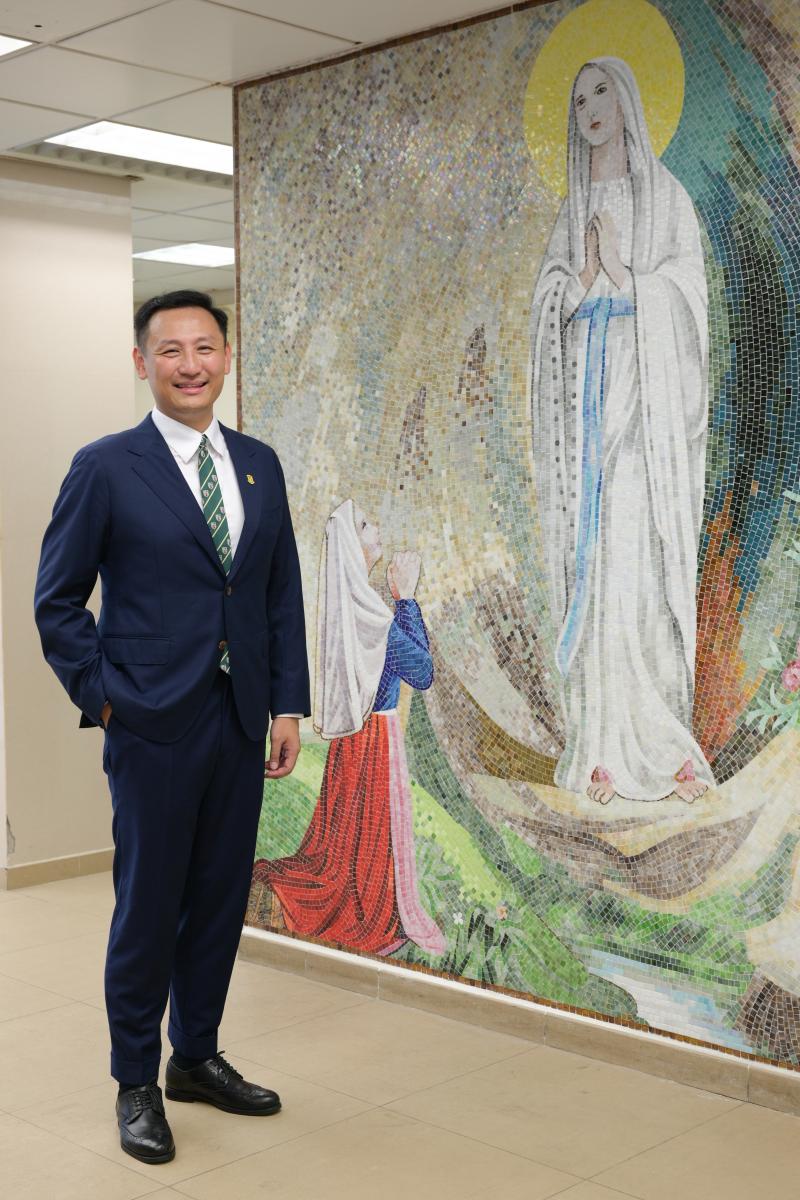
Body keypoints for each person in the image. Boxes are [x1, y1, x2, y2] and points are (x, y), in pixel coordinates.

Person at [34, 290, 310, 1165]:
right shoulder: (107, 467)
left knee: (220, 901)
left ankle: (194, 1057)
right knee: (149, 907)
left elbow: (277, 593)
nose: (190, 364)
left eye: (205, 347)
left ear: (226, 356)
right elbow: (57, 602)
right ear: (142, 362)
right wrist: (108, 697)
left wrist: (286, 704)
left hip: (239, 718)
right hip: (151, 723)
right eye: (170, 350)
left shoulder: (258, 463)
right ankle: (135, 1082)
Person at [530, 57, 714, 805]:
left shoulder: (666, 199)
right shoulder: (571, 210)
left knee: (639, 573)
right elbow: (549, 304)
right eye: (578, 100)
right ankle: (600, 750)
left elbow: (688, 299)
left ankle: (662, 748)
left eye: (601, 91)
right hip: (587, 430)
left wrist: (628, 276)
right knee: (599, 577)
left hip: (644, 428)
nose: (590, 108)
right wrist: (579, 282)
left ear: (628, 99)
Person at [254, 499, 445, 957]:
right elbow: (422, 672)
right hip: (374, 742)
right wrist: (406, 599)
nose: (375, 527)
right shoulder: (371, 614)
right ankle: (362, 912)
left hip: (351, 745)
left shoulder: (352, 607)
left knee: (346, 844)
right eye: (364, 525)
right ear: (352, 547)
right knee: (366, 846)